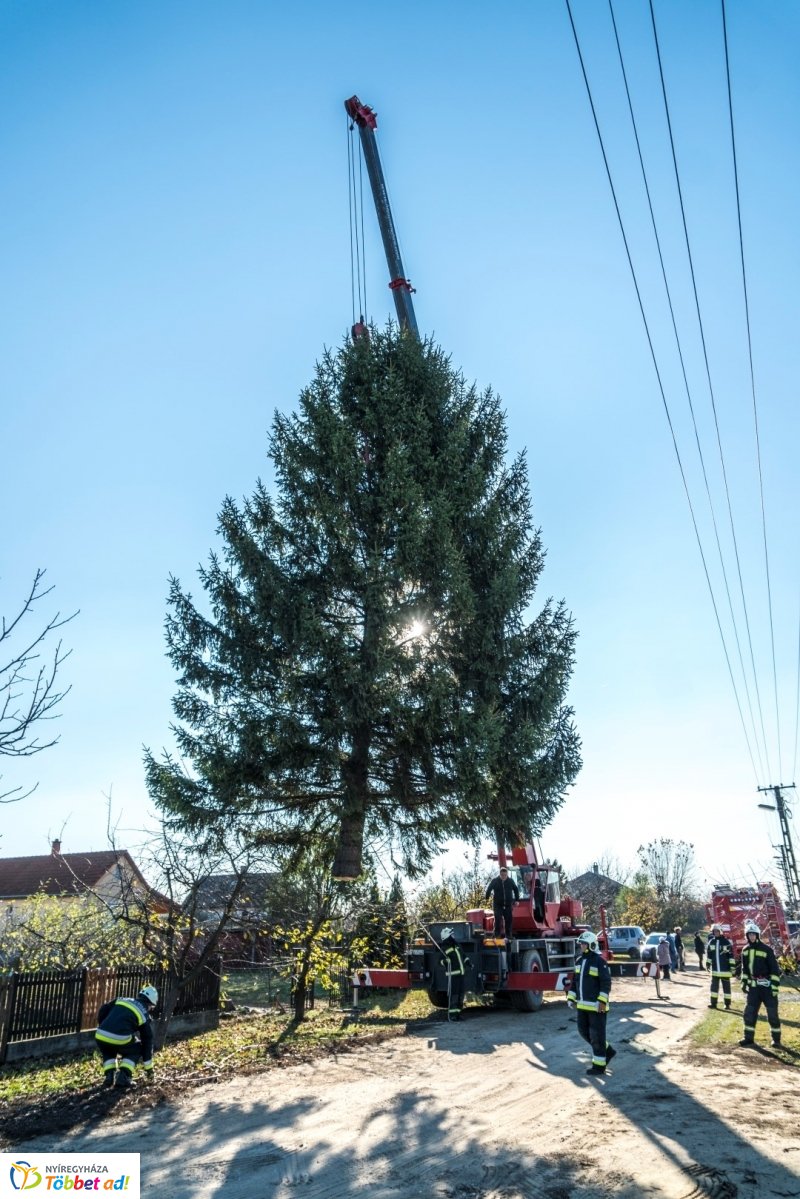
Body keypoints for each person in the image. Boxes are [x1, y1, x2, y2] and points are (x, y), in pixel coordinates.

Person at [567, 929, 616, 1075]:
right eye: (580, 944)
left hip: (597, 1007)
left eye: (583, 944)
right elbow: (575, 982)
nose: (580, 946)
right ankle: (607, 1051)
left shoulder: (600, 961)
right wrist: (571, 997)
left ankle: (599, 1066)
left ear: (590, 945)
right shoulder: (579, 961)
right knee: (583, 1032)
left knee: (597, 1036)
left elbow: (606, 983)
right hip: (582, 1006)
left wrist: (602, 1001)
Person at [95, 985, 158, 1089]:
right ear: (150, 1004)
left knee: (108, 1050)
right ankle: (124, 1076)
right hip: (120, 1037)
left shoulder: (122, 999)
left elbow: (103, 1009)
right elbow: (147, 1041)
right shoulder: (144, 1014)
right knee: (137, 1048)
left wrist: (103, 1025)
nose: (150, 1010)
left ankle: (109, 1077)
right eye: (151, 1008)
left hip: (100, 1034)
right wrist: (149, 1070)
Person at [739, 920, 781, 1048]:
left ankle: (776, 1040)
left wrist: (774, 987)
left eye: (753, 934)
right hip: (754, 988)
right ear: (747, 936)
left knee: (772, 1014)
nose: (751, 936)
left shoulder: (767, 950)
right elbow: (744, 969)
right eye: (749, 934)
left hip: (767, 987)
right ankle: (748, 1038)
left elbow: (774, 970)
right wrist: (744, 982)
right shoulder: (745, 950)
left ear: (757, 935)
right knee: (749, 1013)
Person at [485, 866, 519, 940]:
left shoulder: (510, 881)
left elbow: (516, 890)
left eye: (505, 875)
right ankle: (497, 935)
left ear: (507, 874)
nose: (504, 877)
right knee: (497, 919)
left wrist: (517, 900)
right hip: (498, 905)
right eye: (502, 875)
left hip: (507, 905)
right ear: (500, 874)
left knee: (508, 920)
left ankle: (508, 935)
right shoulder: (495, 881)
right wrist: (487, 897)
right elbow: (489, 888)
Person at [440, 927, 466, 1022]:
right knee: (454, 996)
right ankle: (452, 1015)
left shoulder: (456, 946)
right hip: (453, 976)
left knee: (461, 995)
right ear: (448, 937)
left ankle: (458, 1014)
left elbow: (463, 956)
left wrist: (468, 962)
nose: (454, 936)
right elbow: (440, 961)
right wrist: (445, 961)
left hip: (461, 975)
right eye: (452, 935)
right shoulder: (445, 949)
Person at [706, 924, 734, 1009]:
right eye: (714, 931)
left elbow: (731, 956)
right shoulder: (711, 942)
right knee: (714, 988)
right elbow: (709, 955)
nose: (715, 932)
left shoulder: (726, 942)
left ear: (720, 931)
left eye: (717, 931)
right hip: (715, 970)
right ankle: (713, 1004)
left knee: (726, 988)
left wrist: (732, 967)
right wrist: (708, 964)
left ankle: (727, 1004)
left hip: (725, 970)